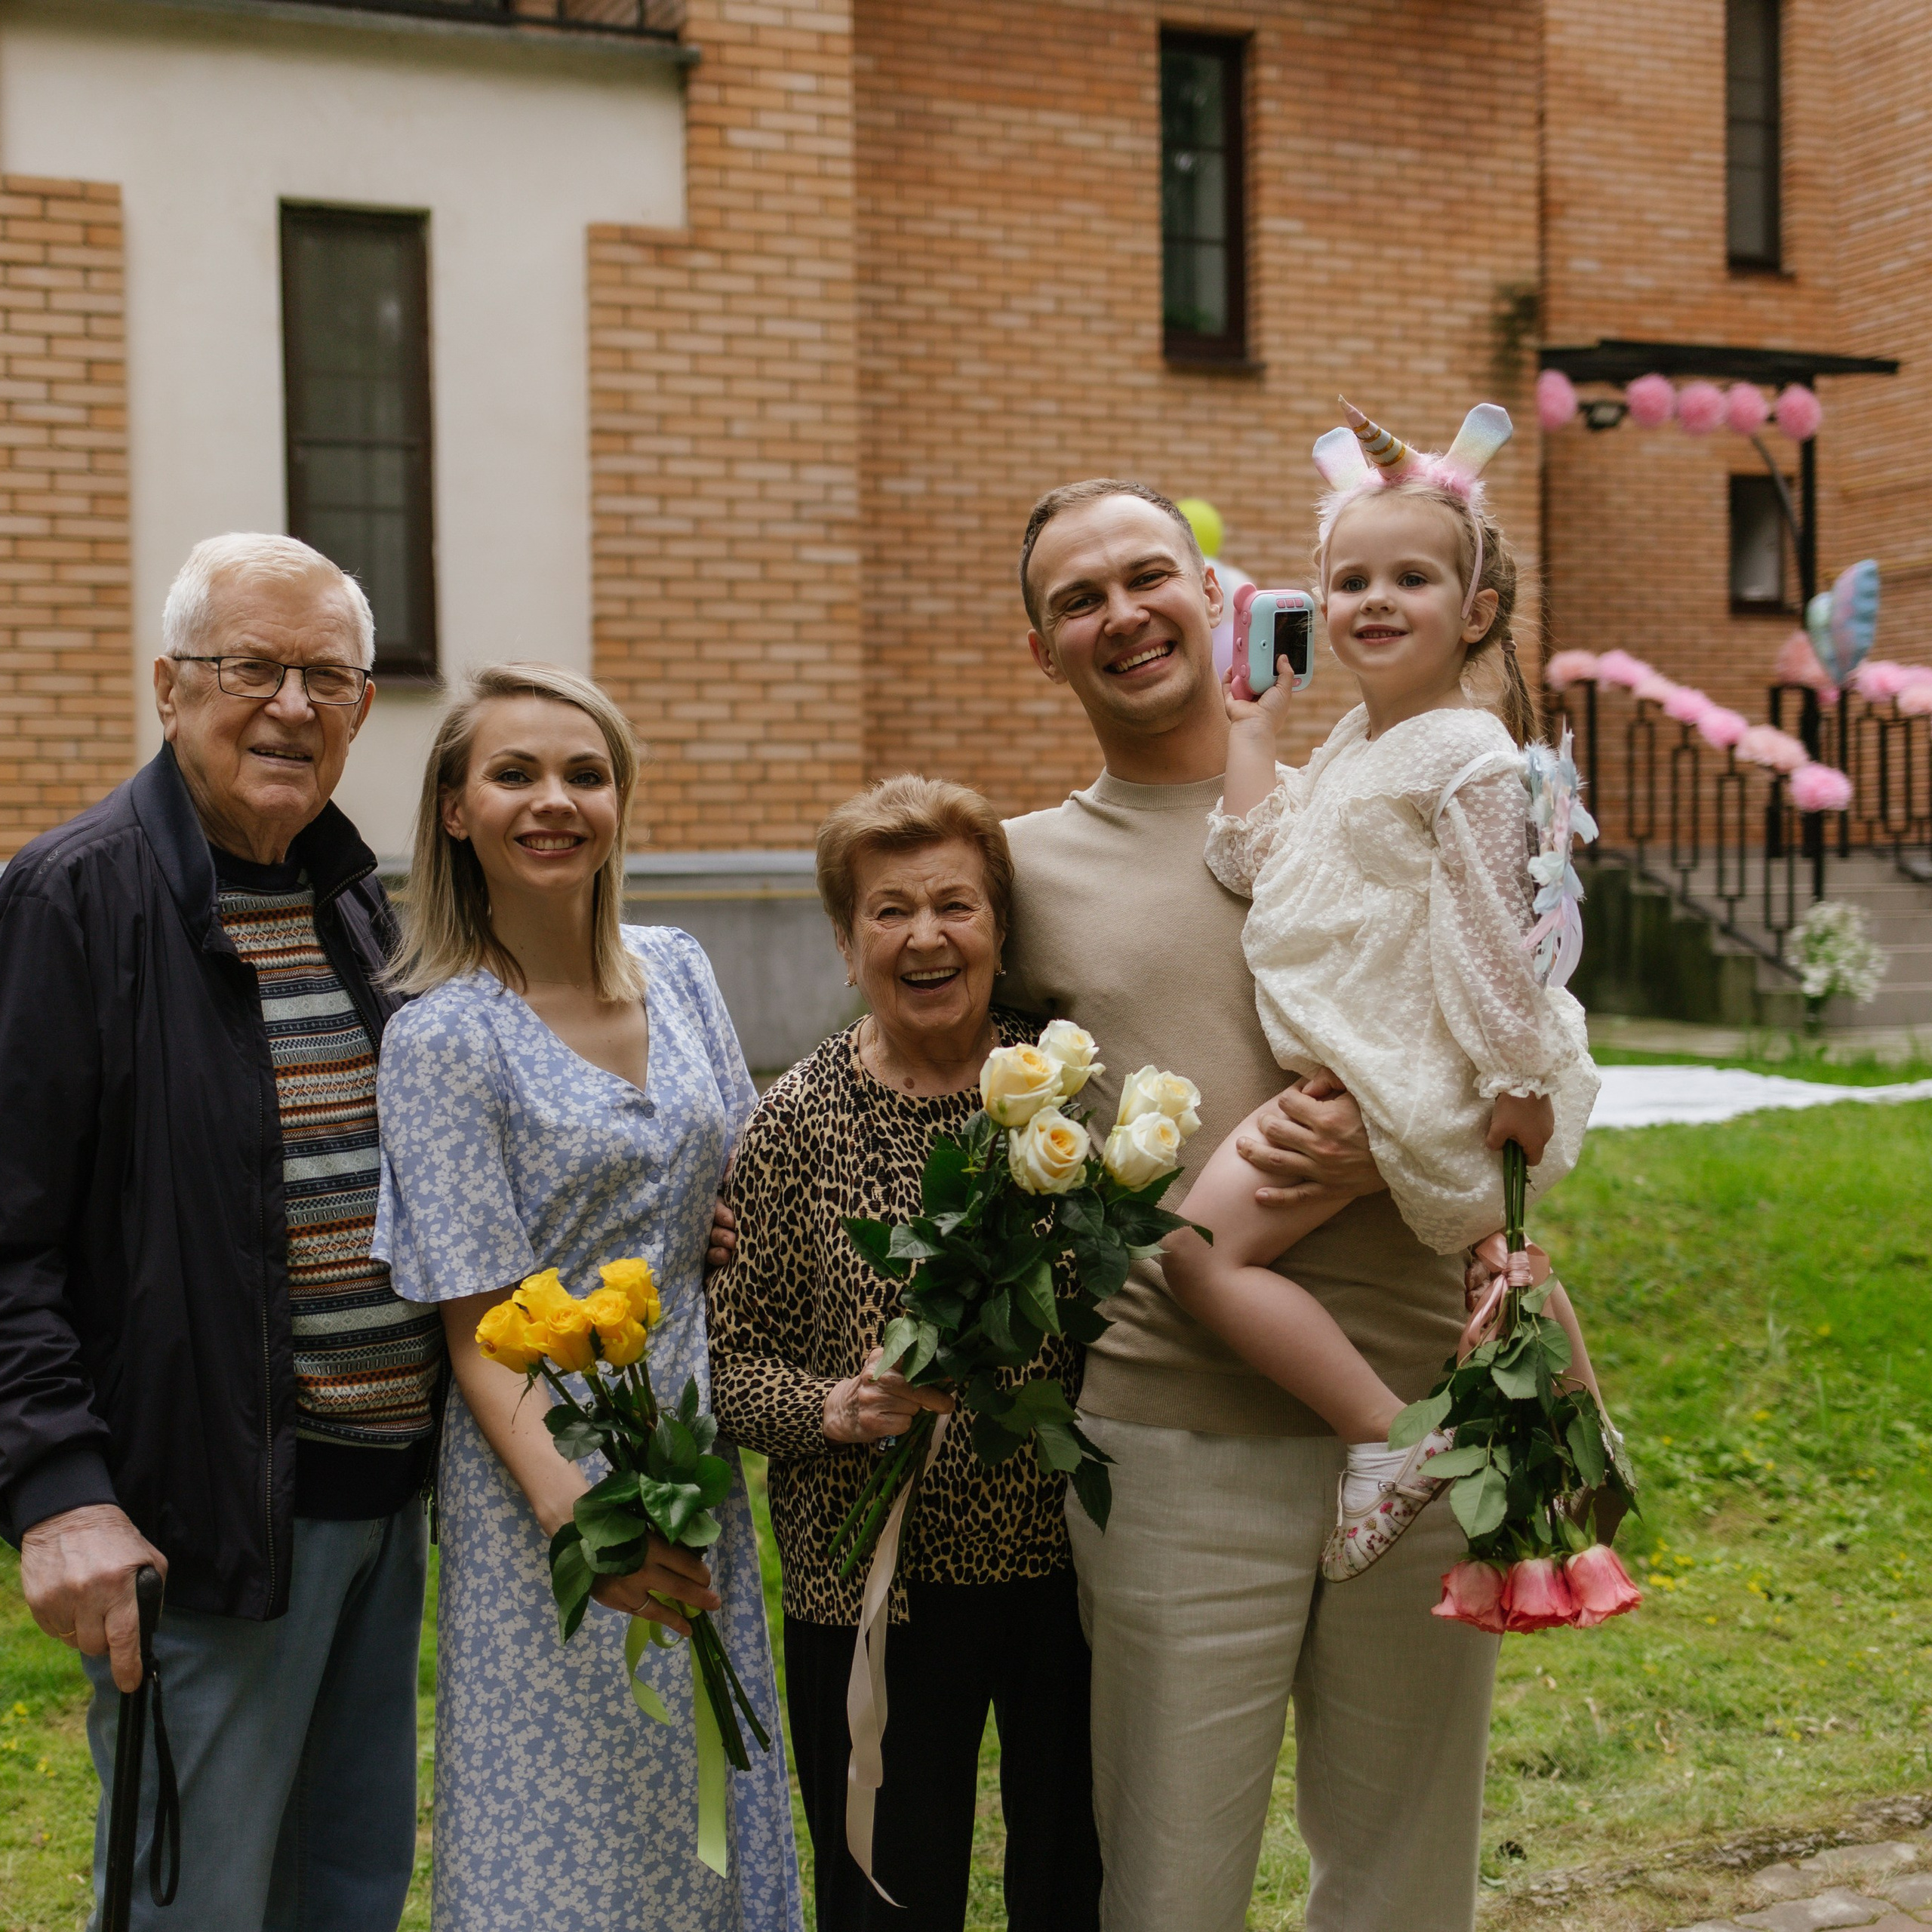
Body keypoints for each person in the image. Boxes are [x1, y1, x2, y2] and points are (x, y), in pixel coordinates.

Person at [1001, 472, 1515, 1932]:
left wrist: (1414, 1141)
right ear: (1046, 650)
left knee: (1407, 1885)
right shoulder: (1021, 870)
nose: (1123, 614)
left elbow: (1514, 1021)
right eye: (1077, 599)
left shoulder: (1386, 802)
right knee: (1167, 1887)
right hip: (1172, 1441)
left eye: (1148, 575)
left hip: (1420, 1422)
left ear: (1221, 596)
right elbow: (916, 1091)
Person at [0, 533, 442, 1929]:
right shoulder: (73, 899)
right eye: (252, 667)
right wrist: (58, 1488)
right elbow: (9, 1231)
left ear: (365, 705)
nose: (293, 706)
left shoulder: (351, 897)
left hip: (382, 1511)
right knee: (199, 1901)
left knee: (348, 1891)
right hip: (206, 1523)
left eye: (329, 676)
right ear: (168, 686)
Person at [371, 662, 801, 1932]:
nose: (553, 800)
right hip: (546, 1478)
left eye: (585, 773)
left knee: (704, 1785)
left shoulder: (679, 968)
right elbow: (478, 1333)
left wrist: (721, 1225)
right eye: (514, 773)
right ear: (456, 810)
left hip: (689, 1439)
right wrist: (587, 1519)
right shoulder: (443, 1037)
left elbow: (732, 1173)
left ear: (621, 800)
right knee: (572, 1818)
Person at [1162, 400, 1602, 1581]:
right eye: (1348, 578)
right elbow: (1252, 862)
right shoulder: (1365, 742)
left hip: (1402, 1067)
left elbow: (1493, 934)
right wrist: (1253, 730)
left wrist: (1513, 1078)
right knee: (1491, 1265)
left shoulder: (1471, 755)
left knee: (1201, 1258)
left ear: (1479, 612)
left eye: (1411, 577)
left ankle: (1387, 1441)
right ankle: (1571, 1438)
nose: (1374, 599)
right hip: (1363, 1061)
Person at [706, 774, 1103, 1932]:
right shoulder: (793, 1121)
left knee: (1070, 1883)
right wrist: (840, 1406)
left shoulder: (1061, 1100)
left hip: (1059, 1572)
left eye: (955, 905)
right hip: (872, 1587)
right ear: (845, 944)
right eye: (888, 910)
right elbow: (729, 1367)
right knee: (885, 1891)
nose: (925, 935)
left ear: (998, 932)